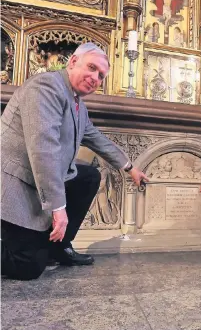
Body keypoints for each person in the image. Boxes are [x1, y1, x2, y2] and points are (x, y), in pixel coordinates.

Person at [1, 43, 149, 280]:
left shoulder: (77, 102)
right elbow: (43, 149)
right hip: (16, 181)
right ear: (73, 62)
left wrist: (130, 168)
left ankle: (59, 246)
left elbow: (96, 138)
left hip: (39, 178)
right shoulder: (46, 87)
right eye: (91, 68)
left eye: (101, 75)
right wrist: (58, 209)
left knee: (88, 177)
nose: (95, 78)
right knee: (28, 266)